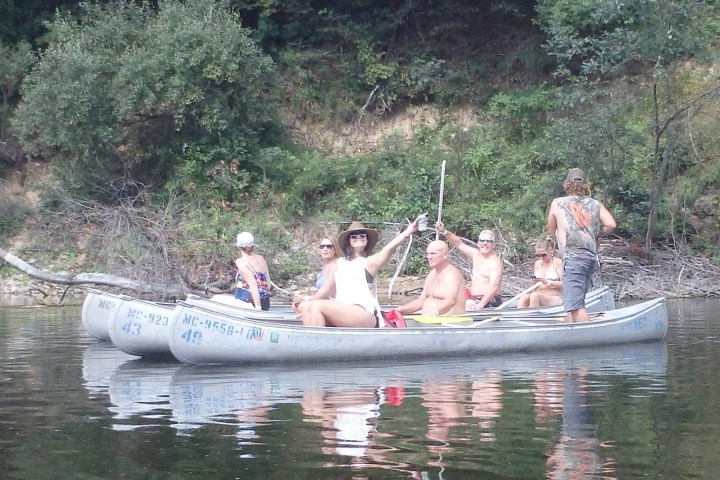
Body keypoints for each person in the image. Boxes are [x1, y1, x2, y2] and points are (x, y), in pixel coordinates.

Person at [299, 217, 422, 327]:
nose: (358, 237)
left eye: (362, 235)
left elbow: (389, 249)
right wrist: (307, 299)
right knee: (306, 307)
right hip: (342, 311)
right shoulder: (339, 263)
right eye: (354, 236)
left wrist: (409, 230)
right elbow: (325, 290)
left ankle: (318, 346)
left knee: (317, 305)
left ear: (367, 240)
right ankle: (316, 345)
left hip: (365, 312)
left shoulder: (370, 262)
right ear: (349, 241)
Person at [547, 167, 616, 323]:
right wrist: (595, 233)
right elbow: (611, 224)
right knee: (573, 303)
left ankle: (591, 338)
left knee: (575, 306)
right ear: (586, 184)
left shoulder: (557, 203)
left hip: (573, 258)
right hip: (590, 258)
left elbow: (551, 229)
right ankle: (570, 335)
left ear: (567, 184)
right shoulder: (595, 204)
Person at [435, 221, 504, 310]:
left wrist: (481, 304)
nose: (485, 243)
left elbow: (494, 286)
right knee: (448, 300)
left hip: (490, 299)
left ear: (493, 245)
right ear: (478, 243)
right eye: (482, 240)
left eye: (488, 241)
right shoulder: (475, 254)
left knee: (463, 305)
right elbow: (459, 244)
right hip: (474, 298)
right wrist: (444, 231)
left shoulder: (495, 263)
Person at [395, 240, 466, 316]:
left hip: (448, 324)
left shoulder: (452, 274)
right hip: (428, 322)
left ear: (445, 255)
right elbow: (421, 300)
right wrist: (399, 310)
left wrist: (436, 312)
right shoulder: (431, 274)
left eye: (433, 254)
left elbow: (451, 300)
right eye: (428, 254)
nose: (429, 257)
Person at [292, 236, 340, 313]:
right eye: (322, 246)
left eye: (329, 246)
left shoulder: (336, 265)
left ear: (335, 249)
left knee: (303, 306)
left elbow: (326, 291)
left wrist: (307, 298)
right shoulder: (326, 266)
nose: (325, 249)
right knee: (296, 305)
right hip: (324, 302)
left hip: (334, 303)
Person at [518, 238, 563, 308]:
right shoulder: (538, 264)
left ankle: (533, 316)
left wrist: (548, 282)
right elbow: (534, 285)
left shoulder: (557, 263)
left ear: (550, 250)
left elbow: (565, 283)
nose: (541, 258)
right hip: (539, 292)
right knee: (524, 298)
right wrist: (534, 281)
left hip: (554, 296)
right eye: (538, 255)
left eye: (543, 255)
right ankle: (519, 317)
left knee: (535, 296)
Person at [232, 231, 272, 311]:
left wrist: (258, 307)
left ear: (238, 247)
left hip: (249, 302)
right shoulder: (261, 258)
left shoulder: (241, 262)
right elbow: (268, 284)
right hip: (265, 301)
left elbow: (253, 285)